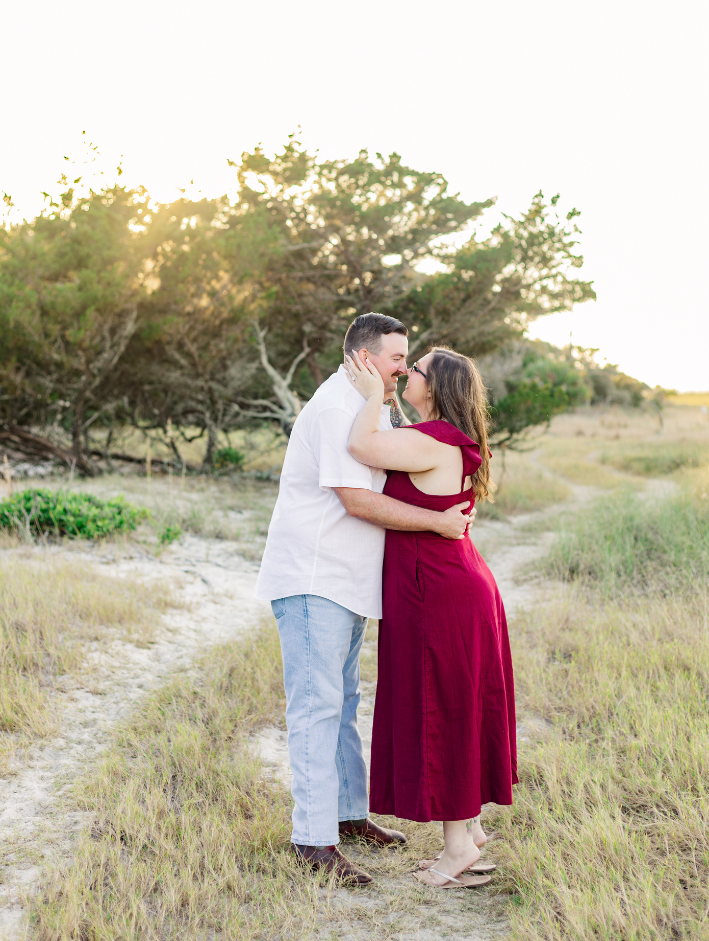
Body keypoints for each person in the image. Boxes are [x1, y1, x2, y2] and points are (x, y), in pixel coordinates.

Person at [255, 314, 474, 886]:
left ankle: (349, 813)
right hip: (313, 577)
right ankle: (313, 841)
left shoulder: (370, 406)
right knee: (316, 706)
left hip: (347, 580)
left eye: (408, 361)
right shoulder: (335, 408)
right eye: (397, 358)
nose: (404, 368)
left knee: (345, 700)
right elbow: (355, 500)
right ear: (363, 357)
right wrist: (436, 522)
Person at [345, 345, 517, 890]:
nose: (406, 373)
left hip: (435, 591)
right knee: (458, 702)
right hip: (455, 583)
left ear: (435, 387)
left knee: (438, 707)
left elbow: (360, 445)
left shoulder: (435, 439)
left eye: (414, 369)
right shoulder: (444, 437)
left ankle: (458, 848)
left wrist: (373, 394)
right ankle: (469, 829)